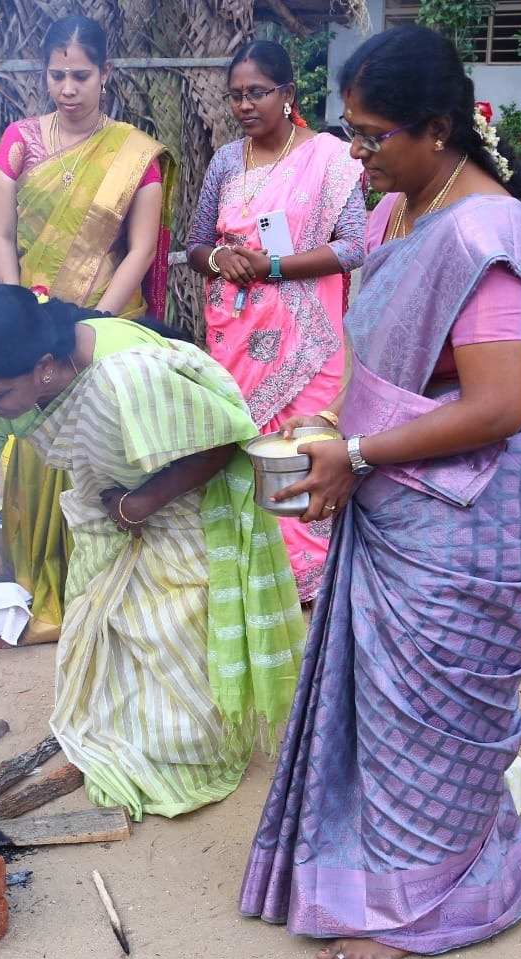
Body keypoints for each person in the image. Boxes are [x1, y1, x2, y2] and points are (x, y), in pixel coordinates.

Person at [239, 25, 521, 959]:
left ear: (436, 130)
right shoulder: (402, 212)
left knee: (433, 703)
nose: (355, 153)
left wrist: (353, 449)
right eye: (349, 131)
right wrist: (340, 443)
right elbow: (379, 333)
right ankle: (392, 865)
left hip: (467, 509)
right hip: (396, 483)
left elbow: (500, 405)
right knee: (387, 702)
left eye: (372, 136)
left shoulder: (483, 234)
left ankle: (432, 894)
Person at [0, 285, 304, 820]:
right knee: (113, 637)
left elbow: (224, 438)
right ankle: (132, 741)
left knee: (179, 654)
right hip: (109, 510)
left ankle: (190, 748)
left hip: (183, 501)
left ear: (42, 368)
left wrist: (143, 502)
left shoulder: (124, 371)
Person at [0, 14, 175, 644]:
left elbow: (141, 250)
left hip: (101, 326)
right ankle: (44, 576)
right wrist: (22, 310)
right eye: (56, 75)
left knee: (102, 460)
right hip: (32, 318)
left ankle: (109, 580)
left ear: (106, 74)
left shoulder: (136, 155)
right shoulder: (18, 141)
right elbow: (1, 234)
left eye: (81, 76)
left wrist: (89, 320)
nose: (67, 89)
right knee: (34, 457)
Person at [186, 40, 365, 602]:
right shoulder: (224, 161)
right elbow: (195, 245)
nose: (244, 105)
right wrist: (220, 259)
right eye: (236, 95)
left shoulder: (331, 157)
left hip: (307, 342)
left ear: (287, 94)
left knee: (301, 453)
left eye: (256, 92)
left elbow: (355, 246)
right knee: (239, 454)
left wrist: (276, 266)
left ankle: (309, 589)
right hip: (235, 337)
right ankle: (250, 579)